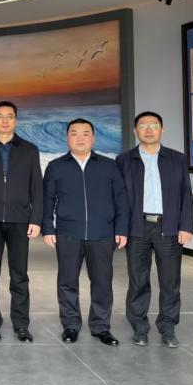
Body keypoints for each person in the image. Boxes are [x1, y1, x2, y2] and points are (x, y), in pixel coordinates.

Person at [43, 118, 129, 346]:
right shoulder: (56, 166)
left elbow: (121, 199)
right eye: (74, 133)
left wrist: (122, 229)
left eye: (85, 133)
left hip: (103, 233)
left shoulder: (109, 166)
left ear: (93, 137)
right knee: (67, 282)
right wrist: (48, 228)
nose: (80, 138)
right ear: (67, 137)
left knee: (102, 282)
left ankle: (101, 327)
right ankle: (70, 326)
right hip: (68, 233)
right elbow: (47, 199)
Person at [116, 111, 193, 348]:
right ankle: (139, 327)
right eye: (143, 125)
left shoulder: (177, 159)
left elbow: (186, 194)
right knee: (138, 281)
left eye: (154, 125)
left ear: (162, 130)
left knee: (170, 282)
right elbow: (118, 199)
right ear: (135, 131)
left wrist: (186, 226)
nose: (149, 130)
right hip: (137, 228)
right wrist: (121, 229)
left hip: (168, 227)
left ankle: (168, 327)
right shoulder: (124, 160)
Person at [0, 101, 42, 343]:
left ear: (15, 120)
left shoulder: (29, 149)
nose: (5, 120)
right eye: (0, 116)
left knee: (19, 275)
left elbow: (37, 186)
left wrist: (36, 218)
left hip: (20, 220)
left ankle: (21, 324)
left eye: (9, 116)